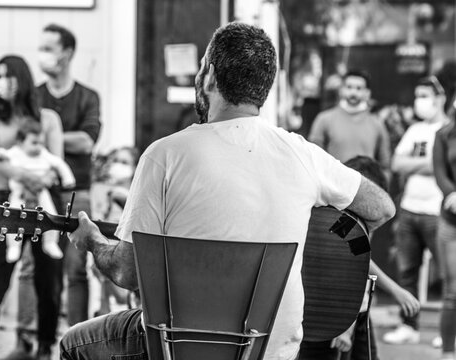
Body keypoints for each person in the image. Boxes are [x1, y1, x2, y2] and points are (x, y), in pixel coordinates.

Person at [60, 22, 395, 360]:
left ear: (209, 74)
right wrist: (323, 240)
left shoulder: (164, 156)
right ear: (263, 87)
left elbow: (128, 273)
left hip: (180, 347)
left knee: (73, 344)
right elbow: (381, 208)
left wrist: (92, 240)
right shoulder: (302, 154)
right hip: (272, 349)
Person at [0, 55, 65, 360]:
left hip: (44, 203)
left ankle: (46, 346)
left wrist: (39, 179)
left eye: (7, 77)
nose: (1, 83)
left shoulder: (48, 118)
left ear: (21, 80)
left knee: (48, 279)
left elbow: (56, 163)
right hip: (4, 202)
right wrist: (26, 175)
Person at [300, 156, 420, 360]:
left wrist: (395, 290)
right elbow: (351, 273)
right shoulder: (339, 224)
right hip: (333, 319)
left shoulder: (346, 223)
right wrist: (346, 326)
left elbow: (363, 261)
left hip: (357, 315)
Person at [37, 23, 101, 326]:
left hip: (78, 191)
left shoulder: (88, 97)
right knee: (32, 268)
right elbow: (23, 138)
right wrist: (64, 139)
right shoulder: (33, 96)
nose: (43, 54)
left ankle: (77, 339)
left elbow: (88, 141)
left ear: (68, 53)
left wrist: (48, 135)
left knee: (77, 269)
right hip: (39, 190)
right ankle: (30, 337)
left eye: (49, 48)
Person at [383, 76, 449, 346]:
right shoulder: (415, 130)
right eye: (418, 94)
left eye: (425, 94)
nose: (420, 100)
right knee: (407, 271)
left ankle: (448, 331)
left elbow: (443, 168)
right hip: (410, 210)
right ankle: (408, 325)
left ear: (440, 97)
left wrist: (422, 164)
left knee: (449, 274)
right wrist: (432, 163)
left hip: (439, 212)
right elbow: (397, 163)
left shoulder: (449, 130)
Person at [0, 120, 75, 263]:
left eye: (41, 143)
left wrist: (67, 178)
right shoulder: (16, 153)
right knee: (13, 218)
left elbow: (59, 164)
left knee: (51, 216)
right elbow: (2, 154)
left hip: (41, 192)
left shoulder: (44, 154)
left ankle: (50, 242)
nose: (38, 147)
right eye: (34, 143)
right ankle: (13, 246)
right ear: (20, 142)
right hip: (20, 193)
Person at [308, 69, 392, 172]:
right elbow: (313, 159)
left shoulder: (377, 124)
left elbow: (385, 165)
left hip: (366, 186)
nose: (353, 92)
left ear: (367, 93)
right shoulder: (324, 119)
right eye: (349, 87)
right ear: (341, 90)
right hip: (333, 185)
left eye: (359, 88)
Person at [91, 146, 139, 316]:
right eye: (116, 161)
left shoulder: (136, 191)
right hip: (107, 241)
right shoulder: (100, 189)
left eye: (125, 162)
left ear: (134, 168)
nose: (119, 165)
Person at [433, 96, 456, 360]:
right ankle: (448, 353)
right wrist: (451, 193)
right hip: (452, 220)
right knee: (453, 293)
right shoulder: (444, 134)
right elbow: (439, 172)